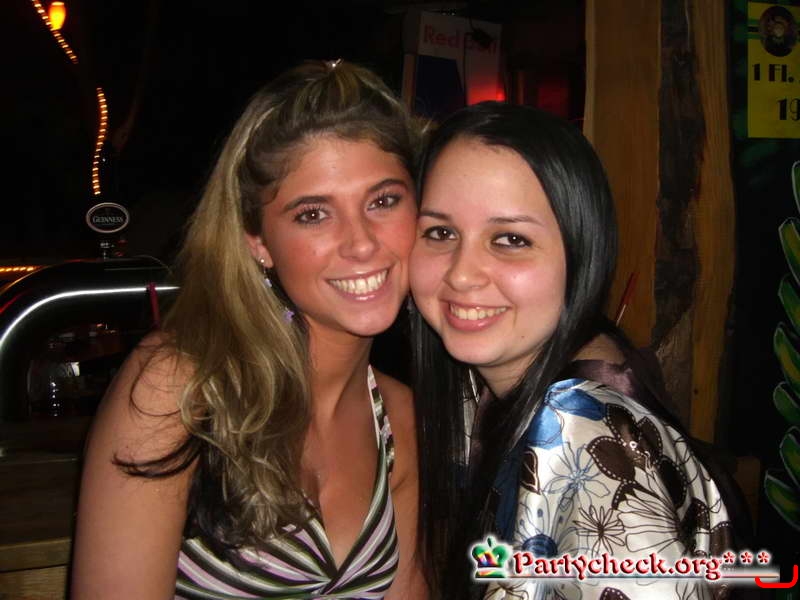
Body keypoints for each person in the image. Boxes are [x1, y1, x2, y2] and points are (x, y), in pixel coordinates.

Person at [71, 60, 428, 599]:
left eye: (383, 201)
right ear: (257, 241)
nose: (361, 243)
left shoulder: (400, 420)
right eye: (313, 214)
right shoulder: (181, 388)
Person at [409, 102, 738, 599]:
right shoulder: (479, 386)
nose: (461, 273)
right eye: (441, 232)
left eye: (510, 239)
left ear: (581, 253)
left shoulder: (584, 432)